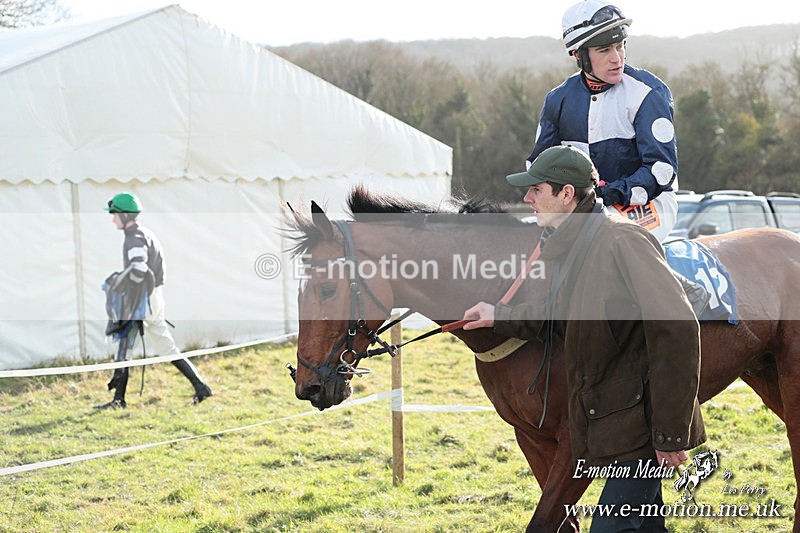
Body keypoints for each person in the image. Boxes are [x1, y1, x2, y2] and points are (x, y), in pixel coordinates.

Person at [463, 146, 705, 532]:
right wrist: (498, 315)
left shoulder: (621, 240)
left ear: (566, 194)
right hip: (611, 423)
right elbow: (557, 312)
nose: (527, 198)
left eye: (536, 189)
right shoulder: (571, 246)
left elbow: (677, 329)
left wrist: (671, 432)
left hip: (639, 431)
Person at [528, 0, 678, 242]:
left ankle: (675, 282)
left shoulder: (650, 93)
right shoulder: (558, 99)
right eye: (604, 50)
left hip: (648, 201)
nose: (617, 58)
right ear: (579, 55)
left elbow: (661, 171)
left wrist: (607, 194)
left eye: (620, 46)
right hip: (583, 208)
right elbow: (538, 164)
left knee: (610, 243)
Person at [96, 192, 212, 409]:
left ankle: (118, 400)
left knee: (124, 349)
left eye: (114, 215)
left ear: (124, 215)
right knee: (166, 347)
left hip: (143, 302)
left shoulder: (134, 238)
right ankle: (201, 387)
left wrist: (120, 284)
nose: (112, 219)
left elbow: (139, 270)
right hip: (153, 299)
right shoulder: (143, 233)